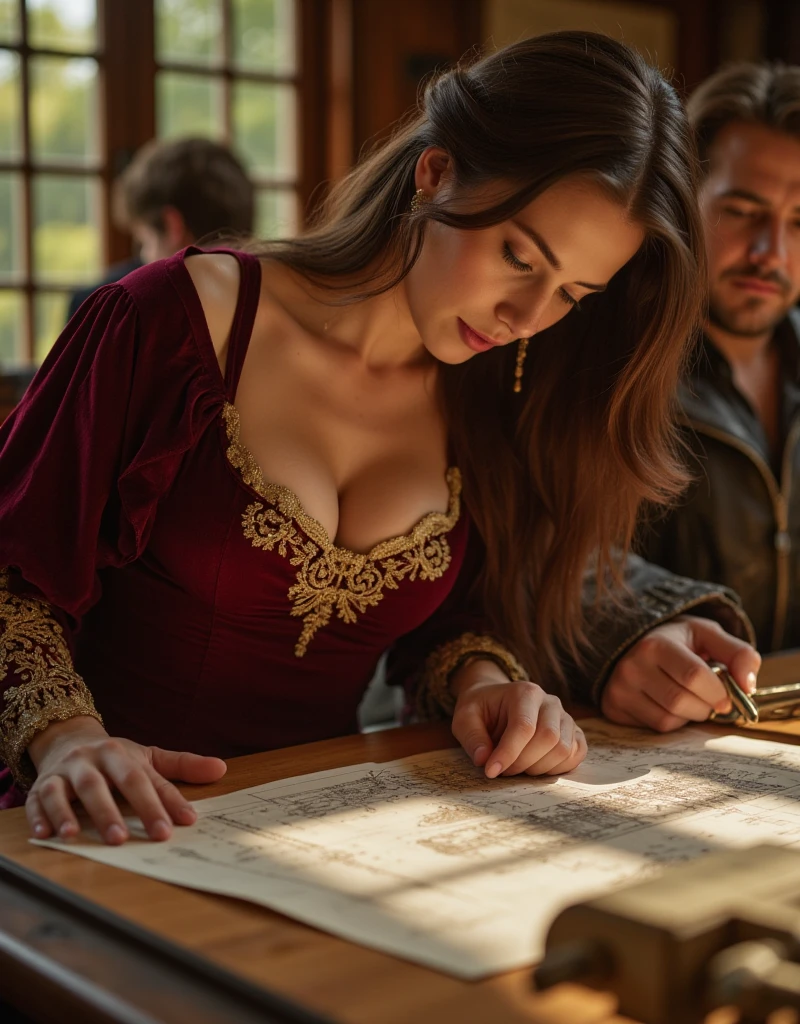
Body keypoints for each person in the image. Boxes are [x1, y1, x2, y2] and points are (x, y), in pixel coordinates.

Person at [0, 32, 759, 846]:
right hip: (93, 824)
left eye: (572, 292)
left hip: (324, 842)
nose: (526, 318)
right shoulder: (175, 322)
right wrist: (69, 740)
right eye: (517, 255)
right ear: (435, 172)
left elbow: (451, 622)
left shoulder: (498, 396)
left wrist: (484, 681)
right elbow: (15, 576)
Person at [621, 61, 800, 732]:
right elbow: (553, 553)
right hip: (646, 737)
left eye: (799, 222)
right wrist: (646, 620)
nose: (770, 252)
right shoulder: (610, 361)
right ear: (683, 199)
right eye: (743, 211)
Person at [65, 137, 255, 321]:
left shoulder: (113, 310)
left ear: (172, 226)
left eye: (145, 241)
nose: (143, 256)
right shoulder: (272, 299)